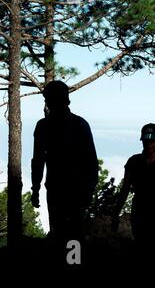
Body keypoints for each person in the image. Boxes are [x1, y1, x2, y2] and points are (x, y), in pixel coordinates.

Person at [31, 80, 99, 242]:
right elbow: (92, 162)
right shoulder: (80, 124)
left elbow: (38, 161)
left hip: (58, 190)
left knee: (60, 232)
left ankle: (65, 262)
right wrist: (89, 190)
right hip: (76, 190)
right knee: (74, 234)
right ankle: (73, 263)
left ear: (48, 100)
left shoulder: (43, 126)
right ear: (66, 99)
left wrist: (35, 189)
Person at [112, 123, 155, 259]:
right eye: (145, 141)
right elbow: (124, 189)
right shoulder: (133, 162)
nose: (148, 144)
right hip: (140, 215)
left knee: (154, 252)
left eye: (152, 141)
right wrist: (116, 214)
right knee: (141, 251)